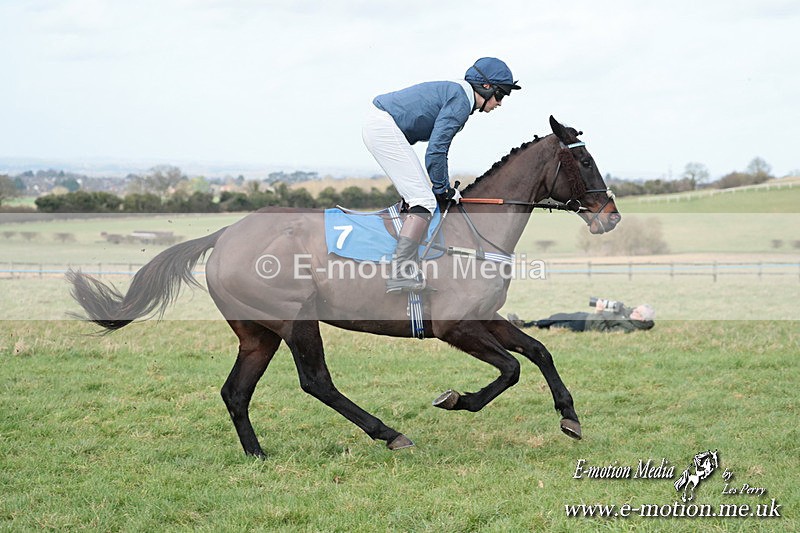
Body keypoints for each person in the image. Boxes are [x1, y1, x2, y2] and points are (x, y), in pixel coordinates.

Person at [362, 57, 521, 293]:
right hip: (383, 127)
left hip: (381, 125)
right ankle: (400, 273)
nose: (500, 103)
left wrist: (441, 187)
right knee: (424, 200)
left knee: (420, 197)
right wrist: (443, 189)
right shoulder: (460, 102)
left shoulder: (459, 96)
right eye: (501, 95)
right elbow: (436, 150)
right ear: (486, 87)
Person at [507, 301, 656, 333]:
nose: (633, 311)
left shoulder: (629, 328)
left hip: (586, 325)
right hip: (584, 316)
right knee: (556, 316)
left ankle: (523, 327)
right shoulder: (630, 315)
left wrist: (598, 313)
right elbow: (627, 309)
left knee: (556, 326)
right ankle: (526, 324)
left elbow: (603, 331)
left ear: (642, 319)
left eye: (637, 312)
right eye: (635, 308)